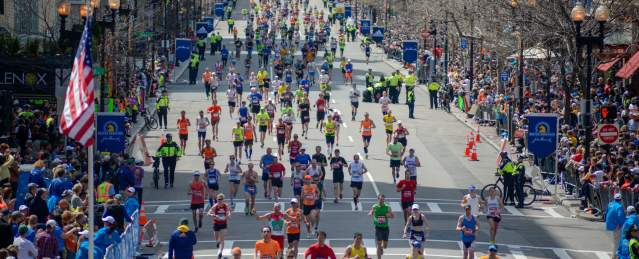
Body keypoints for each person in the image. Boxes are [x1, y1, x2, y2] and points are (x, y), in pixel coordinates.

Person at [369, 194, 393, 259]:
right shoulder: (375, 206)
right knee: (378, 244)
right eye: (380, 200)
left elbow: (393, 216)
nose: (381, 201)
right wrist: (370, 213)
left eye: (383, 200)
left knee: (385, 246)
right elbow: (371, 211)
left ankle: (382, 248)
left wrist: (388, 215)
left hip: (385, 228)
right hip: (378, 228)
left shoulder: (387, 207)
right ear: (378, 199)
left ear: (384, 200)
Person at [208, 193, 231, 258]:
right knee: (216, 237)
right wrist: (213, 215)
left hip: (223, 224)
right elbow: (208, 213)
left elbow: (228, 212)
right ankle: (217, 242)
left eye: (220, 199)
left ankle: (220, 253)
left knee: (222, 239)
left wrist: (228, 215)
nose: (219, 201)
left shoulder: (225, 206)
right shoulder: (215, 206)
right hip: (216, 223)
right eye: (218, 199)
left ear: (223, 200)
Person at [607, 193, 626, 258]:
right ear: (620, 199)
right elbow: (620, 216)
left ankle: (614, 254)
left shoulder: (610, 204)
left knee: (615, 240)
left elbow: (607, 212)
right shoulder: (619, 206)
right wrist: (621, 224)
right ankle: (614, 255)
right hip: (616, 225)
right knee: (617, 241)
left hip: (610, 224)